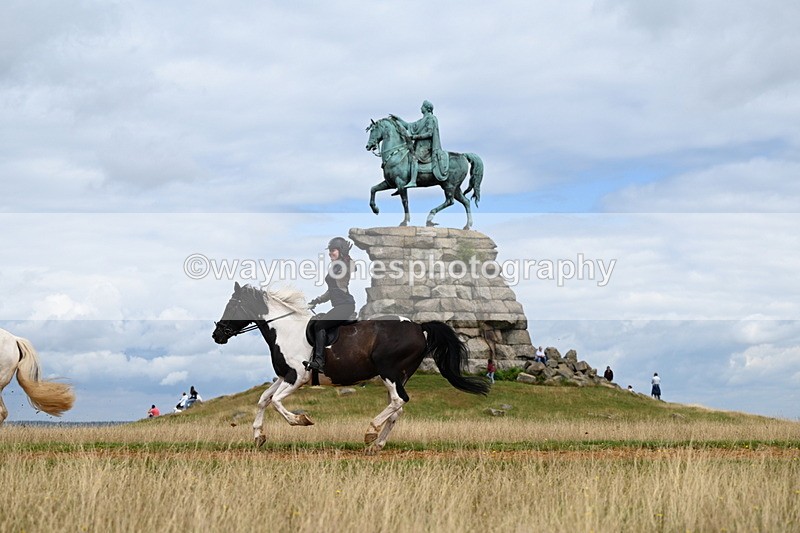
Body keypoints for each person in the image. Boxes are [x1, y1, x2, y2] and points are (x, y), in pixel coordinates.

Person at [305, 237, 357, 372]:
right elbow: (331, 292)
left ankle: (319, 362)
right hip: (339, 306)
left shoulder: (345, 265)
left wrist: (345, 257)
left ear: (341, 251)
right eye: (329, 251)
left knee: (319, 325)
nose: (330, 253)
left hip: (345, 306)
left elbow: (352, 266)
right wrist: (316, 301)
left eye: (333, 250)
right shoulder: (336, 266)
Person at [390, 100, 449, 188]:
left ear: (426, 108)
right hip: (418, 145)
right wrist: (398, 119)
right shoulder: (422, 120)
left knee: (414, 158)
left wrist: (415, 137)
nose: (421, 108)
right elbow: (409, 125)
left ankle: (413, 181)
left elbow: (430, 133)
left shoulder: (431, 118)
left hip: (426, 147)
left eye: (422, 106)